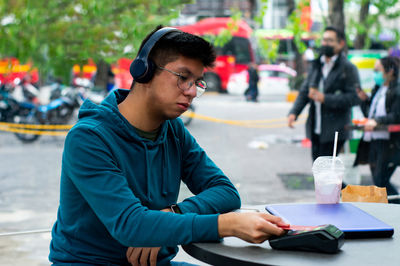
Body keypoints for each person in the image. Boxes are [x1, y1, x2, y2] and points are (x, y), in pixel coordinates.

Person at [49, 26, 287, 265]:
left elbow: (225, 191)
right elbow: (130, 225)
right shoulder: (89, 138)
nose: (192, 92)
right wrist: (226, 225)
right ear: (144, 71)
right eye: (183, 78)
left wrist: (171, 216)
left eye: (197, 83)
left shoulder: (172, 129)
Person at [288, 26, 360, 162]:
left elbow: (354, 98)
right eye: (324, 40)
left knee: (326, 171)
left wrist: (325, 98)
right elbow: (304, 91)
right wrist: (294, 113)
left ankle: (342, 185)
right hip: (315, 126)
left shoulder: (348, 68)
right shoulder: (316, 65)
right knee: (319, 169)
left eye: (330, 40)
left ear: (340, 44)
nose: (325, 44)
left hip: (336, 130)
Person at [354, 56, 400, 203]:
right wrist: (364, 100)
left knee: (381, 180)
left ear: (390, 71)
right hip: (373, 138)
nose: (375, 74)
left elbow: (395, 115)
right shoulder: (378, 89)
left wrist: (377, 121)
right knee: (378, 180)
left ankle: (396, 205)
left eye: (377, 70)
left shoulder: (396, 91)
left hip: (388, 142)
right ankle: (390, 208)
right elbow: (370, 114)